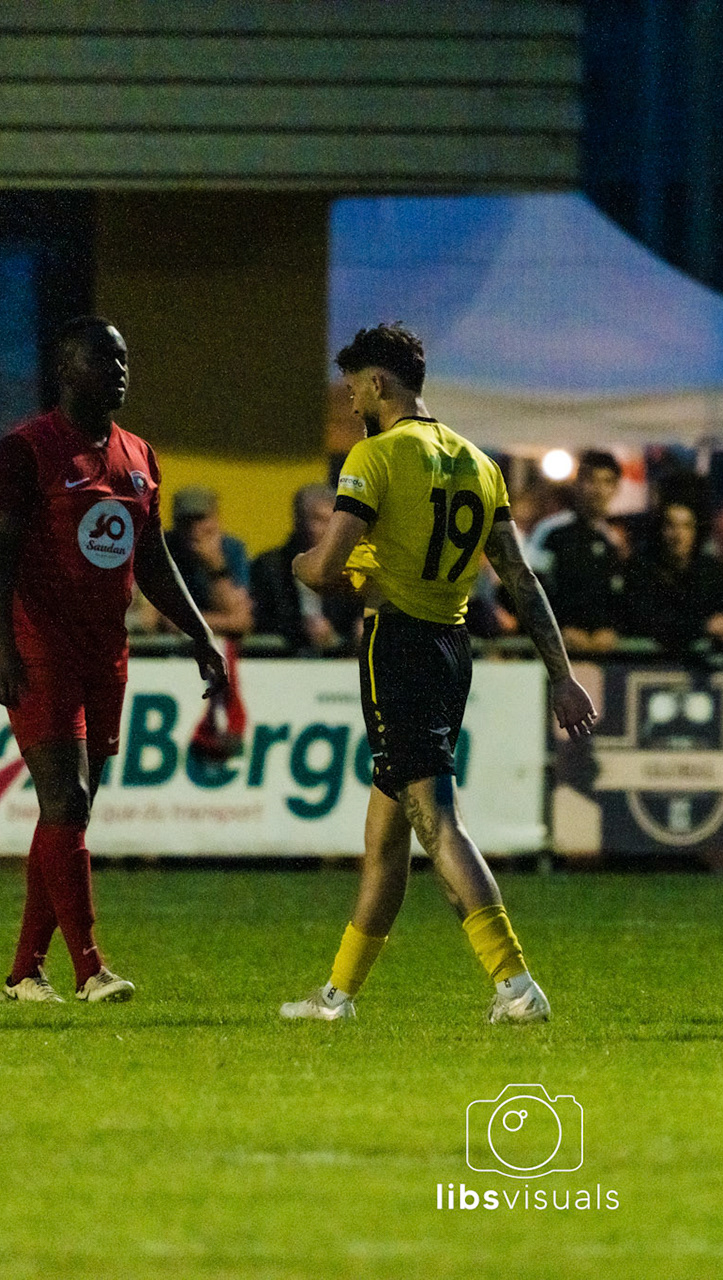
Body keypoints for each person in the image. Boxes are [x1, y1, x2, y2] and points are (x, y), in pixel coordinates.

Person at [280, 323, 596, 1025]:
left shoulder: (377, 455)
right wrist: (562, 674)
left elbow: (327, 568)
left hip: (398, 648)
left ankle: (516, 984)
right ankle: (338, 998)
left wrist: (301, 565)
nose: (353, 399)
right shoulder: (476, 462)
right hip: (452, 650)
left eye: (356, 385)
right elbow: (516, 576)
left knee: (436, 822)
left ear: (381, 384)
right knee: (384, 839)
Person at [0, 316, 226, 1004]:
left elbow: (149, 557)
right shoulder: (23, 454)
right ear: (67, 368)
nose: (119, 370)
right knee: (69, 798)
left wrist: (199, 632)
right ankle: (90, 968)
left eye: (124, 358)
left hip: (104, 656)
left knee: (68, 814)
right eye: (104, 359)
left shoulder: (139, 456)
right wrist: (1, 645)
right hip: (40, 648)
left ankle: (25, 972)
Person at [539, 449, 630, 655]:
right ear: (577, 484)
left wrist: (613, 628)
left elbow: (624, 596)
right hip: (559, 650)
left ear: (616, 488)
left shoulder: (619, 537)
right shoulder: (551, 531)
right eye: (591, 480)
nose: (598, 489)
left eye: (607, 482)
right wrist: (559, 627)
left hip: (607, 653)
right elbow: (531, 588)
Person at [627, 499, 723, 654]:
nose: (678, 534)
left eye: (686, 526)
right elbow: (646, 620)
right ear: (660, 529)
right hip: (651, 664)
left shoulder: (709, 569)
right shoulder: (640, 568)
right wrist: (703, 626)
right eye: (671, 526)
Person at [251, 483, 360, 652]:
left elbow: (355, 612)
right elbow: (260, 619)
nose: (317, 528)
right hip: (283, 660)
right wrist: (301, 628)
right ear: (297, 520)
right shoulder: (269, 566)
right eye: (312, 519)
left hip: (337, 663)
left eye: (326, 520)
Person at [166, 486, 254, 638]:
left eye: (200, 519)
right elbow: (167, 621)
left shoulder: (232, 550)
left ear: (216, 519)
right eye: (186, 521)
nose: (194, 529)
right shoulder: (164, 549)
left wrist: (215, 565)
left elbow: (241, 622)